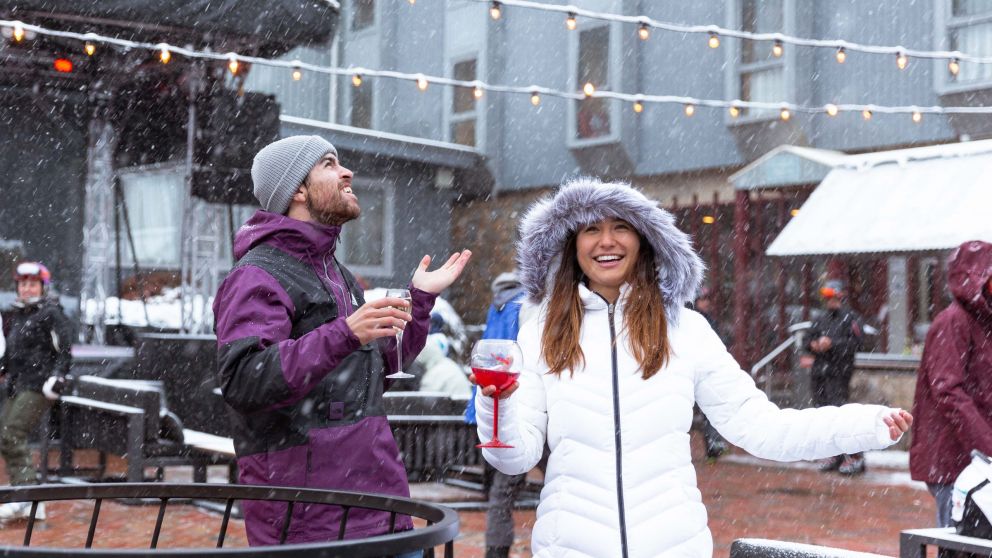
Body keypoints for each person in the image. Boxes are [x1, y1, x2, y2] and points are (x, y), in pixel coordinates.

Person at [472, 178, 912, 558]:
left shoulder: (686, 329)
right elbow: (514, 458)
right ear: (572, 246)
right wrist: (496, 404)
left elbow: (761, 428)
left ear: (644, 241)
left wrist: (863, 424)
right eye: (591, 229)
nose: (606, 241)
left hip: (674, 545)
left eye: (621, 227)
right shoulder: (541, 333)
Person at [212, 135, 471, 549]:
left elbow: (374, 372)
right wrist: (345, 333)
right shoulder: (257, 275)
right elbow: (245, 379)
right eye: (330, 164)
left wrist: (419, 303)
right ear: (297, 189)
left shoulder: (335, 272)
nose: (347, 171)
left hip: (381, 506)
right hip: (312, 521)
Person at [910, 240, 992, 528]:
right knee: (959, 541)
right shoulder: (953, 322)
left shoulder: (984, 323)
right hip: (954, 460)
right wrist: (986, 446)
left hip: (976, 461)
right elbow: (948, 391)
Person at [465, 271, 538, 558]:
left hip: (491, 403)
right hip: (519, 401)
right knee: (507, 489)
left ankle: (495, 551)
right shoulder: (528, 305)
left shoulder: (496, 307)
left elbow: (485, 354)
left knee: (499, 492)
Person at [0, 262, 73, 522]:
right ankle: (30, 501)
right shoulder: (17, 315)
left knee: (12, 434)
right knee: (4, 436)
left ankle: (25, 496)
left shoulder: (51, 313)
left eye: (32, 284)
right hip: (17, 384)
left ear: (42, 287)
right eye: (23, 284)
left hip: (39, 385)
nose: (27, 288)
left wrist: (58, 376)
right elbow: (13, 352)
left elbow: (65, 350)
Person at [807, 279, 866, 475]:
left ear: (841, 296)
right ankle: (833, 454)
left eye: (833, 297)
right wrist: (814, 345)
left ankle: (855, 456)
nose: (830, 301)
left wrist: (833, 344)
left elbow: (858, 343)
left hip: (839, 373)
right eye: (826, 298)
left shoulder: (851, 318)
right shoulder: (820, 318)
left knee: (842, 415)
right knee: (823, 415)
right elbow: (807, 339)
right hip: (820, 373)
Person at [692, 288, 729, 460]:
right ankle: (712, 444)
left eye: (708, 299)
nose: (706, 302)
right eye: (703, 299)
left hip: (705, 372)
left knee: (709, 409)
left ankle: (713, 444)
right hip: (692, 372)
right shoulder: (692, 319)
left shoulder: (709, 321)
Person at [415, 322, 471, 396]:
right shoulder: (448, 364)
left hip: (458, 406)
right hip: (464, 404)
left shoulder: (434, 375)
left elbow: (425, 403)